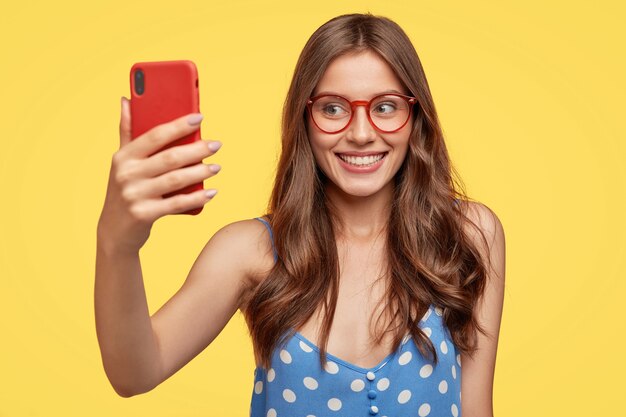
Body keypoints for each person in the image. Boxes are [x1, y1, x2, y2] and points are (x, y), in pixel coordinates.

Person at [95, 12, 505, 417]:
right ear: (303, 118)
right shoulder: (250, 252)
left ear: (415, 117)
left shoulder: (470, 235)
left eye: (385, 107)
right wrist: (117, 244)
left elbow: (475, 408)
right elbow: (134, 374)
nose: (361, 133)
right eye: (332, 109)